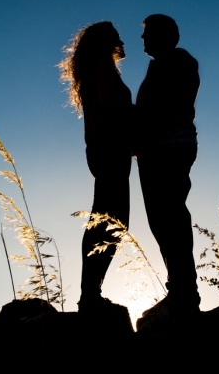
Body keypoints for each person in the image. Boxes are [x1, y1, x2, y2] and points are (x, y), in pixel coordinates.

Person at [58, 21, 132, 312]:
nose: (120, 39)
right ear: (105, 41)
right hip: (110, 149)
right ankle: (90, 294)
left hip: (104, 150)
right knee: (111, 221)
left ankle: (90, 292)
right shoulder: (101, 65)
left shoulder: (94, 66)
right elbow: (114, 110)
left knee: (107, 219)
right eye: (115, 35)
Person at [134, 14, 201, 314]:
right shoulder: (163, 65)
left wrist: (137, 135)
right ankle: (180, 289)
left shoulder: (178, 62)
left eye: (148, 33)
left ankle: (184, 293)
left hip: (167, 149)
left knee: (169, 218)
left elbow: (163, 108)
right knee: (163, 221)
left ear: (164, 35)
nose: (143, 38)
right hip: (157, 149)